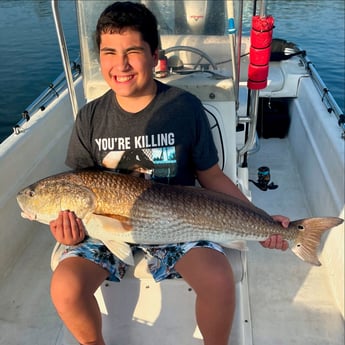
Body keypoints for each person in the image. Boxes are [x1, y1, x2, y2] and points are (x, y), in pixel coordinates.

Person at [49, 2, 289, 345]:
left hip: (176, 223)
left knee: (218, 279)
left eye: (133, 51)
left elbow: (212, 176)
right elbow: (77, 186)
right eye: (109, 52)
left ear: (154, 55)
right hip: (104, 227)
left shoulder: (184, 107)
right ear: (98, 57)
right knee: (65, 286)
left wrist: (262, 220)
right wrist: (68, 231)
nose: (121, 64)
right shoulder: (89, 117)